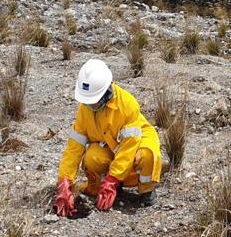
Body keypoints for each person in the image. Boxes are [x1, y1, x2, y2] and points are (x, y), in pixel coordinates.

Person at [54, 59, 162, 216]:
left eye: (93, 101)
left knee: (147, 156)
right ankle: (108, 188)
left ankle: (146, 190)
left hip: (136, 144)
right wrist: (64, 182)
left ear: (106, 93)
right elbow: (74, 148)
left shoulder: (127, 105)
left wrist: (113, 179)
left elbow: (128, 148)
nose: (89, 105)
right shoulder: (85, 109)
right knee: (91, 157)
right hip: (111, 147)